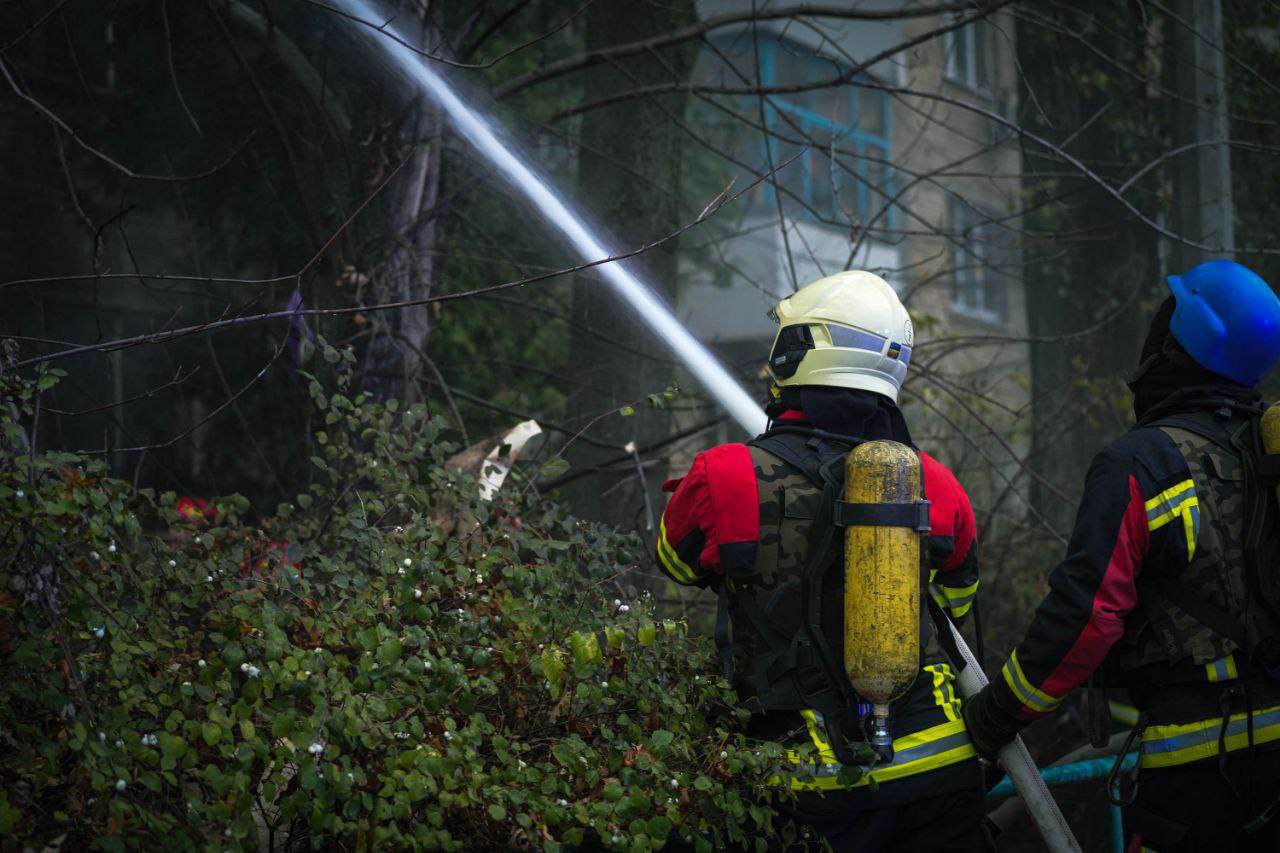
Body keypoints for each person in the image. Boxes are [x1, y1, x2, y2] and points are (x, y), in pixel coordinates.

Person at [655, 271, 989, 851]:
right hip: (938, 771)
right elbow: (954, 604)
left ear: (796, 353)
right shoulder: (935, 484)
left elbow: (677, 565)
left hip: (807, 785)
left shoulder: (723, 474)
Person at [962, 259, 1280, 852]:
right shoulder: (1267, 450)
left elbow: (1085, 618)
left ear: (1179, 344)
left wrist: (994, 716)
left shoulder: (1142, 462)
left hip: (1200, 772)